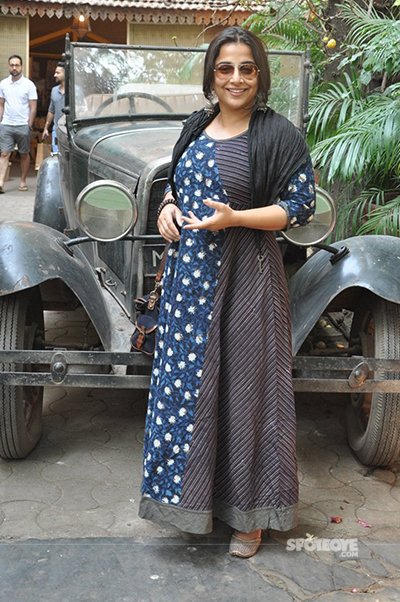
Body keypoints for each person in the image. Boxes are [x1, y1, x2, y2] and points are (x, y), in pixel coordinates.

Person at [139, 26, 316, 559]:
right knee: (187, 397)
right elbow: (177, 185)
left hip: (247, 282)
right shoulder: (196, 126)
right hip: (189, 288)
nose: (235, 78)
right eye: (225, 68)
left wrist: (237, 218)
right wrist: (167, 207)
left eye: (246, 68)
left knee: (246, 394)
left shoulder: (276, 133)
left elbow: (298, 205)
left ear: (259, 76)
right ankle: (193, 505)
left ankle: (250, 518)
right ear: (211, 76)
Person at [0, 54, 37, 193]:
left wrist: (29, 125)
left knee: (24, 154)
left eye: (17, 65)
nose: (14, 67)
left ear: (21, 66)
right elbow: (1, 104)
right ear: (9, 66)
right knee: (4, 153)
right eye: (12, 65)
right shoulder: (3, 84)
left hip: (23, 125)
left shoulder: (29, 85)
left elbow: (33, 107)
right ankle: (1, 182)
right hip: (6, 124)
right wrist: (0, 121)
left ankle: (22, 181)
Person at [42, 62, 65, 153]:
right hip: (56, 130)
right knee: (55, 155)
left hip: (70, 132)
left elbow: (82, 110)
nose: (55, 75)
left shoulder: (76, 90)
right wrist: (46, 128)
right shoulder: (54, 90)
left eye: (58, 73)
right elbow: (51, 111)